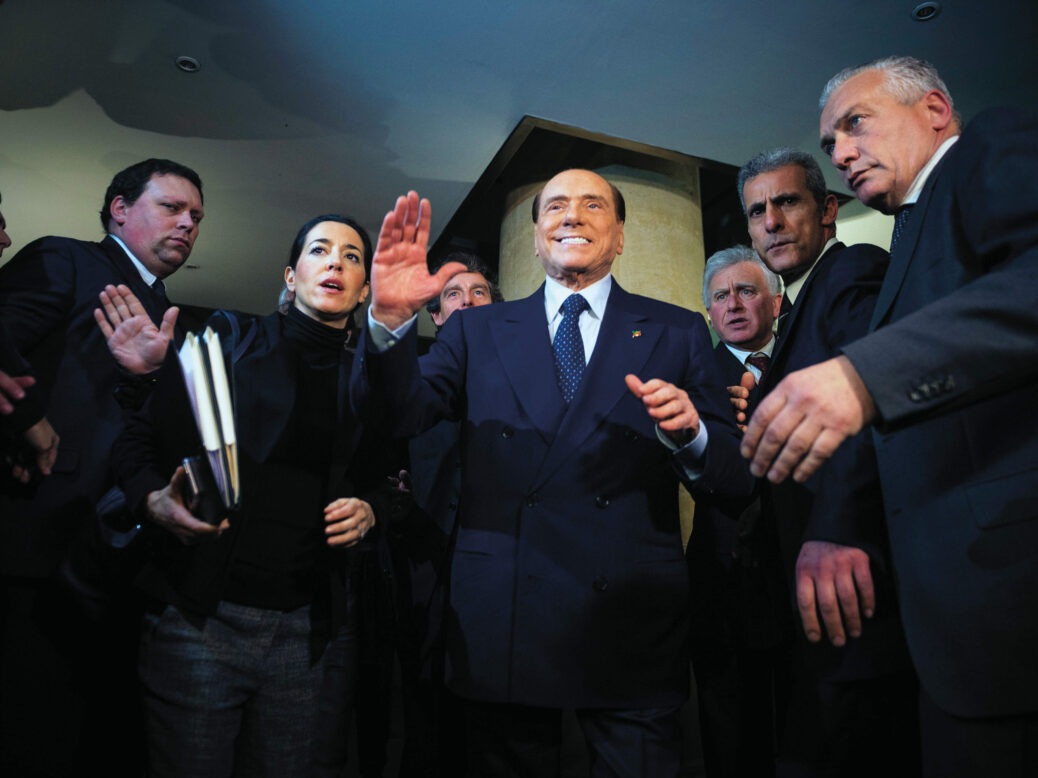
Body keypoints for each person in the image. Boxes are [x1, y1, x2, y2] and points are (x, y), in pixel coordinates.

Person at [352, 171, 752, 777]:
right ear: (536, 237)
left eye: (593, 205)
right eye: (557, 206)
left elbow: (735, 476)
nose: (572, 216)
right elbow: (399, 413)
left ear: (620, 236)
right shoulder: (476, 330)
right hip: (509, 611)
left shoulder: (677, 330)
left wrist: (692, 434)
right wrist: (387, 324)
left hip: (630, 618)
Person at [743, 55, 1038, 776]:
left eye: (856, 124)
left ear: (934, 110)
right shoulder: (907, 233)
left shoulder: (987, 148)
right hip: (952, 617)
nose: (842, 152)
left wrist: (864, 374)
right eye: (831, 142)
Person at [113, 213, 399, 777]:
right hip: (203, 617)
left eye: (351, 256)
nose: (335, 262)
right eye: (319, 250)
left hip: (303, 629)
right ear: (291, 276)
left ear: (364, 289)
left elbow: (387, 483)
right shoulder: (230, 340)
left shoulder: (369, 383)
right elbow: (137, 441)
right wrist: (152, 500)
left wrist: (371, 510)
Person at [0, 158, 202, 776]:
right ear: (120, 209)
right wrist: (26, 422)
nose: (188, 224)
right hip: (34, 542)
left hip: (117, 564)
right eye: (172, 207)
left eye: (196, 217)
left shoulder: (169, 315)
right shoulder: (64, 259)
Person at [740, 148, 918, 775]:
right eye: (756, 211)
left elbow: (871, 400)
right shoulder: (796, 306)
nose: (771, 222)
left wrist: (840, 527)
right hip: (805, 595)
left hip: (852, 583)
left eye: (786, 202)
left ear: (827, 209)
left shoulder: (852, 271)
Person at [388, 251, 502, 776]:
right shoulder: (411, 378)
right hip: (423, 556)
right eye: (454, 294)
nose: (468, 301)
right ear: (435, 315)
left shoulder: (518, 379)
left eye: (480, 293)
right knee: (422, 700)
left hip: (496, 560)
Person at [690, 246, 792, 778]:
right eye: (720, 296)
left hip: (807, 567)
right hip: (725, 576)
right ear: (709, 313)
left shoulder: (810, 355)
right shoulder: (693, 379)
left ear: (774, 302)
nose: (732, 304)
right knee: (734, 738)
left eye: (746, 291)